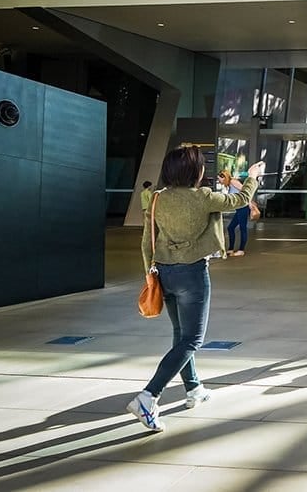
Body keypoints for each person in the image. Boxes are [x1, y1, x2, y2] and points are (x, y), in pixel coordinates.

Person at [127, 146, 263, 432]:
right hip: (192, 275)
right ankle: (149, 396)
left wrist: (149, 275)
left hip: (163, 273)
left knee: (181, 335)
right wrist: (252, 177)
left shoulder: (156, 198)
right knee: (192, 340)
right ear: (195, 172)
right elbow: (240, 199)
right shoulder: (203, 197)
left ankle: (194, 389)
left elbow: (146, 241)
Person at [218, 170, 250, 257]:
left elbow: (245, 191)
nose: (219, 181)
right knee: (230, 228)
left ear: (224, 177)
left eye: (219, 179)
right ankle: (231, 249)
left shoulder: (233, 181)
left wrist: (251, 204)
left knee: (243, 228)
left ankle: (241, 250)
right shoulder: (229, 185)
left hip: (243, 207)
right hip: (239, 208)